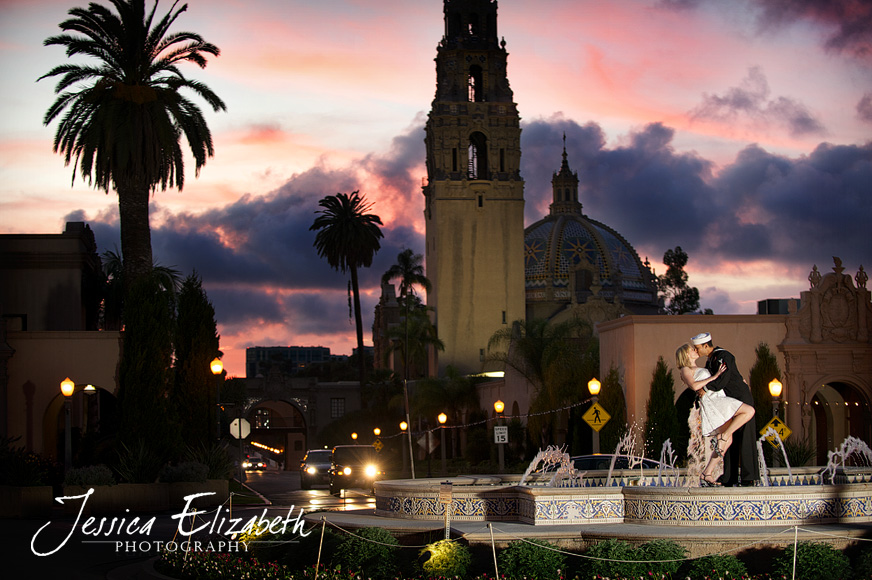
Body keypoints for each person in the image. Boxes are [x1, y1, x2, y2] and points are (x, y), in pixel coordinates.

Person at [675, 343, 755, 486]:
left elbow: (723, 378)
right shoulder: (685, 369)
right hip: (713, 403)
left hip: (719, 399)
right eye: (692, 350)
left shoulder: (704, 366)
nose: (695, 350)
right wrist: (715, 377)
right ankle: (724, 436)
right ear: (686, 355)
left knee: (727, 441)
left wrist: (737, 380)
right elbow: (694, 386)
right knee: (749, 411)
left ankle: (707, 473)